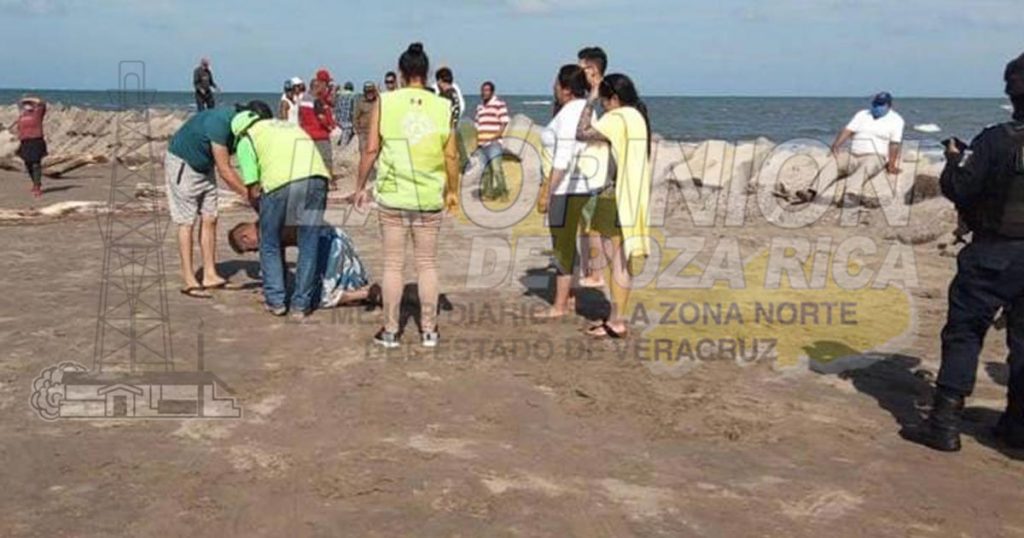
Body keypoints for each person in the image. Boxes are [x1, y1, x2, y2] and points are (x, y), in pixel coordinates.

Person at [909, 53, 1024, 453]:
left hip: (992, 254)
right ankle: (1017, 427)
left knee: (964, 333)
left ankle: (943, 424)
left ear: (1010, 93)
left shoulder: (995, 140)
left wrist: (954, 162)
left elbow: (960, 188)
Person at [353, 42, 460, 348]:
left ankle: (390, 331)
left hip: (393, 196)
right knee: (427, 264)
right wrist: (453, 190)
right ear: (426, 73)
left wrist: (360, 186)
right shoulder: (443, 105)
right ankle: (429, 330)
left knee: (392, 265)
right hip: (428, 196)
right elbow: (451, 155)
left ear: (400, 73)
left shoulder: (385, 101)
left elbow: (371, 149)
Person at [232, 104, 330, 317]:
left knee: (269, 243)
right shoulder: (288, 126)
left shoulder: (246, 139)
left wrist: (263, 213)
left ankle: (276, 301)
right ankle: (301, 305)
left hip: (280, 184)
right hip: (317, 178)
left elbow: (253, 188)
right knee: (308, 244)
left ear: (238, 131)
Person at [575, 74, 653, 339]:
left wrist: (589, 100)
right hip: (633, 195)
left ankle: (616, 321)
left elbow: (582, 132)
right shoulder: (638, 118)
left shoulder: (617, 118)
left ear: (614, 99)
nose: (603, 105)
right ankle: (617, 318)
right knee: (624, 261)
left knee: (617, 261)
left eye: (604, 101)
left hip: (613, 197)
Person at [165, 103, 258, 298]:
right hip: (183, 164)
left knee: (210, 218)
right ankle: (189, 279)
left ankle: (210, 275)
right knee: (186, 222)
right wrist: (249, 196)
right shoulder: (220, 124)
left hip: (205, 166)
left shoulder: (242, 129)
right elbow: (225, 170)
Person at [536, 65, 600, 319]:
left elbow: (562, 158)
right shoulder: (587, 109)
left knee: (562, 246)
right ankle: (570, 296)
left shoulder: (569, 113)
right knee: (570, 245)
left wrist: (547, 191)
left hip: (565, 188)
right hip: (584, 184)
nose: (553, 88)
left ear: (565, 89)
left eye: (556, 84)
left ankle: (559, 305)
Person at [228, 222, 377, 308]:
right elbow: (281, 266)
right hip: (336, 235)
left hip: (327, 243)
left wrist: (273, 296)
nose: (256, 251)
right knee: (348, 289)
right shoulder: (270, 220)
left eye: (251, 249)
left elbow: (277, 267)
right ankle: (363, 293)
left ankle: (365, 293)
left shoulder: (266, 231)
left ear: (245, 238)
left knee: (313, 298)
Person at [818, 92, 905, 206]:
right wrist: (836, 145)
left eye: (880, 104)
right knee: (833, 164)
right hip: (853, 154)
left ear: (888, 106)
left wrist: (891, 165)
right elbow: (848, 130)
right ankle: (811, 190)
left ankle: (850, 194)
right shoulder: (862, 114)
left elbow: (894, 144)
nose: (877, 107)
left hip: (875, 155)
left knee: (865, 169)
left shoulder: (896, 120)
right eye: (875, 104)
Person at [577, 46, 611, 289]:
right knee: (586, 224)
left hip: (596, 172)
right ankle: (588, 269)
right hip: (589, 169)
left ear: (592, 69)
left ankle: (596, 273)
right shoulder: (592, 96)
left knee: (593, 225)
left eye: (582, 68)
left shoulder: (603, 97)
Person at [299, 69, 338, 189]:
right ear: (321, 84)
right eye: (326, 84)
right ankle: (329, 183)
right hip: (320, 134)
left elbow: (301, 116)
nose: (327, 87)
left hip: (307, 133)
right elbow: (322, 117)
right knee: (326, 159)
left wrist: (331, 91)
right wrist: (330, 127)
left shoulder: (304, 98)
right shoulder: (317, 100)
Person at [474, 81, 511, 200]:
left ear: (492, 92)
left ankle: (503, 193)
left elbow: (504, 122)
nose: (484, 93)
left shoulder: (499, 104)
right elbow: (477, 124)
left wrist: (496, 136)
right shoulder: (479, 107)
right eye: (483, 90)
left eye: (487, 90)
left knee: (496, 169)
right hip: (481, 143)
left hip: (494, 143)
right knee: (485, 171)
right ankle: (488, 194)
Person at [7, 96, 47, 198]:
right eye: (26, 105)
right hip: (25, 142)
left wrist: (27, 99)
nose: (27, 106)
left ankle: (37, 187)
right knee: (27, 164)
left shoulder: (37, 113)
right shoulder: (22, 116)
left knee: (36, 164)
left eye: (29, 104)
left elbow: (42, 103)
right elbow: (18, 128)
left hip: (36, 140)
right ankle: (35, 182)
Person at [335, 81, 358, 147]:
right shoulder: (353, 96)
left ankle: (339, 142)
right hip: (348, 123)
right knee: (345, 144)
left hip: (339, 122)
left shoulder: (339, 96)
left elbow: (337, 109)